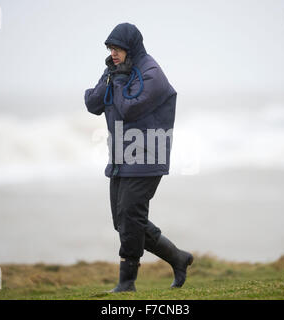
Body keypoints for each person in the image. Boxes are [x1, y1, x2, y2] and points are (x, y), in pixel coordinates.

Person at [84, 22, 193, 293]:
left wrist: (118, 80)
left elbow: (128, 110)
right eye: (110, 49)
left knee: (130, 217)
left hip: (148, 155)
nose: (113, 53)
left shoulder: (152, 73)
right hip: (122, 156)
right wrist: (110, 77)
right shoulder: (116, 70)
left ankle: (127, 282)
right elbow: (93, 104)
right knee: (122, 221)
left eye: (118, 49)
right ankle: (178, 258)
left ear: (130, 47)